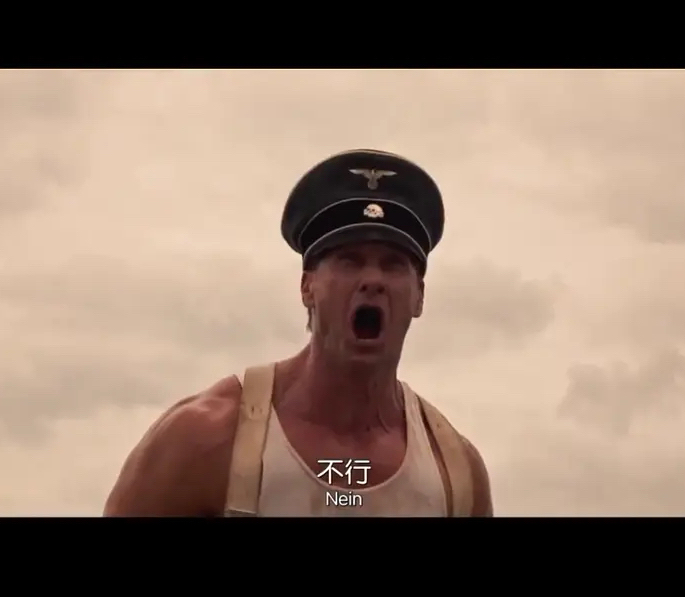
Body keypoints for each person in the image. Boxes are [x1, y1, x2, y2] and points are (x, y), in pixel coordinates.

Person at [103, 149, 493, 517]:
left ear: (419, 296)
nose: (372, 280)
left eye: (393, 264)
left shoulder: (455, 473)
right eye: (349, 261)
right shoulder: (206, 439)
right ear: (307, 287)